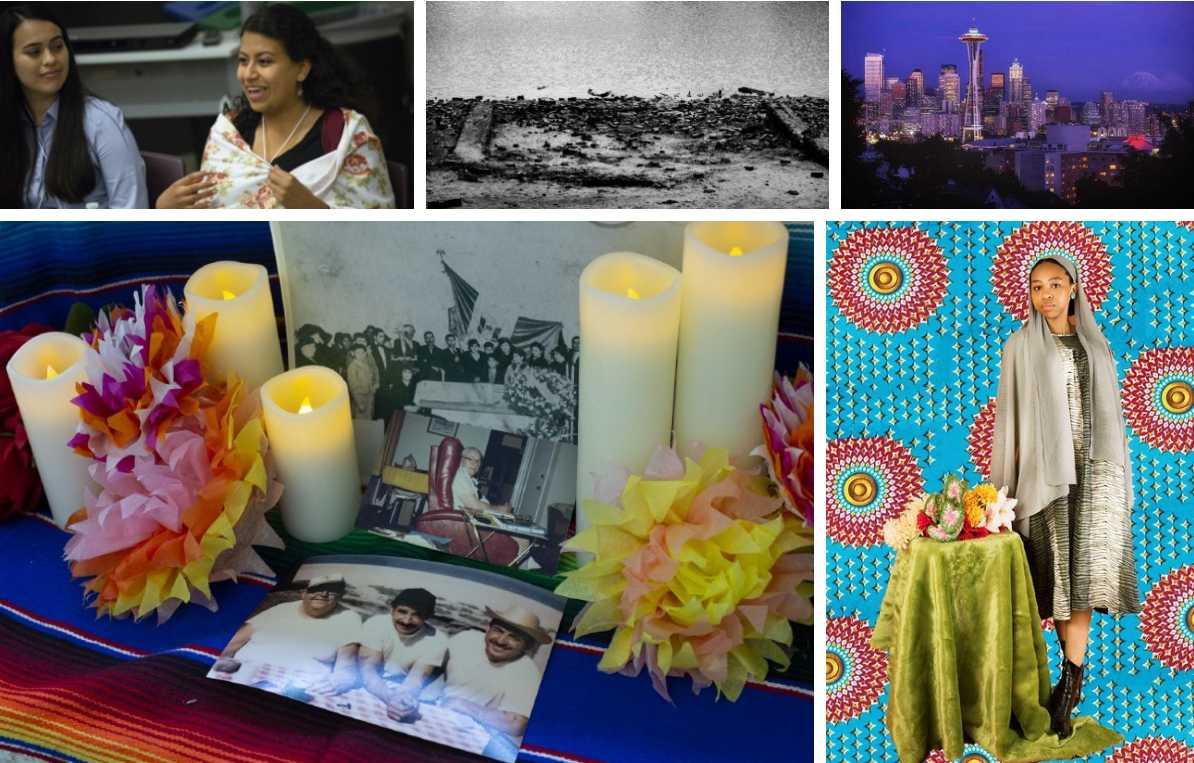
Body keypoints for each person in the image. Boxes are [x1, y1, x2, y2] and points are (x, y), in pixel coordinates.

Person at [990, 256, 1139, 739]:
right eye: (1038, 287)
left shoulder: (1097, 345)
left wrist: (1121, 478)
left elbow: (1114, 421)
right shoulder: (1019, 347)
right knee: (1053, 581)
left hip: (1097, 473)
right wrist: (1004, 489)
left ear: (1074, 287)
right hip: (1045, 477)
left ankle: (1068, 688)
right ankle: (1050, 690)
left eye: (1056, 284)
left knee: (1083, 582)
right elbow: (1009, 423)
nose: (1047, 294)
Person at [156, 3, 394, 209]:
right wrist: (165, 210)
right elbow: (209, 224)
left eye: (264, 61)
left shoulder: (346, 135)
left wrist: (310, 208)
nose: (248, 74)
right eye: (243, 60)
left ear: (302, 69)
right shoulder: (228, 135)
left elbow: (379, 232)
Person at [1, 5, 147, 208]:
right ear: (8, 62)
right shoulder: (9, 123)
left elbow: (132, 213)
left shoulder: (100, 121)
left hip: (96, 239)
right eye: (34, 52)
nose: (51, 59)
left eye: (57, 46)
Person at [213, 575, 361, 693]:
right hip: (243, 675)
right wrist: (223, 659)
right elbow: (234, 643)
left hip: (301, 689)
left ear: (340, 597)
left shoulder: (349, 618)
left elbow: (346, 665)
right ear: (303, 594)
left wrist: (341, 680)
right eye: (317, 588)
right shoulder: (281, 609)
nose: (323, 593)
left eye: (333, 590)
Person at [439, 606, 552, 743]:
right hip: (434, 712)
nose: (501, 641)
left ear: (527, 646)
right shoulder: (466, 638)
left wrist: (464, 705)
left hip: (472, 735)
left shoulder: (527, 671)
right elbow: (435, 662)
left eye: (514, 637)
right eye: (498, 631)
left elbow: (517, 725)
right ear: (488, 628)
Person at [359, 588, 449, 722]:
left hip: (401, 689)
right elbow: (368, 669)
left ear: (427, 616)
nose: (407, 621)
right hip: (367, 682)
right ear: (392, 609)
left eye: (417, 615)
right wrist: (390, 698)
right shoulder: (376, 623)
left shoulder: (438, 639)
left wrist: (402, 699)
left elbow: (415, 679)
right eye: (402, 612)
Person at [452, 447, 511, 514]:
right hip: (460, 519)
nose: (474, 464)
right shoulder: (460, 476)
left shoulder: (472, 481)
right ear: (461, 460)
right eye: (470, 459)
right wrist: (499, 510)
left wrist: (499, 507)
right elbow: (474, 506)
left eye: (477, 461)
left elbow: (483, 502)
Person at [347, 344, 378, 419]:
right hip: (360, 399)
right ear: (353, 354)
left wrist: (373, 388)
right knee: (361, 422)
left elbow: (371, 379)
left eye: (362, 353)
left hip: (369, 398)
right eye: (358, 353)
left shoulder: (366, 365)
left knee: (369, 419)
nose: (361, 355)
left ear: (365, 354)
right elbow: (353, 387)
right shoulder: (352, 367)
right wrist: (359, 403)